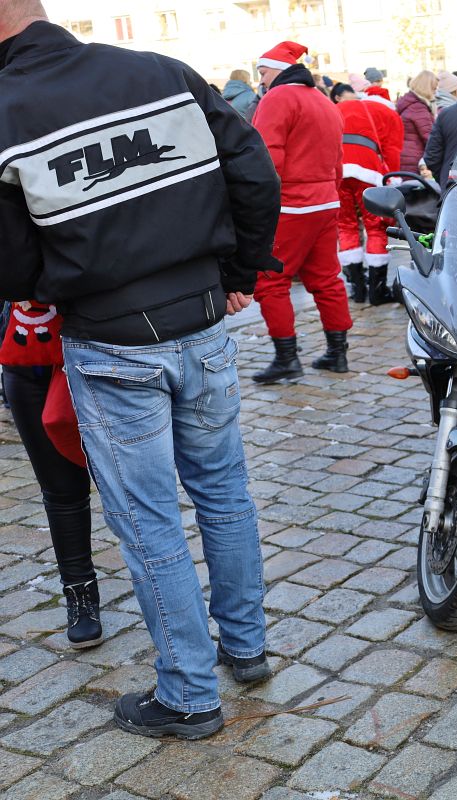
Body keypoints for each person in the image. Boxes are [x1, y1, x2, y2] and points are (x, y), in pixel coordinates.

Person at [0, 1, 279, 738]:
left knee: (149, 520)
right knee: (224, 491)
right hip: (200, 320)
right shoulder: (160, 72)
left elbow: (12, 262)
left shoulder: (7, 111)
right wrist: (238, 269)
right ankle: (246, 646)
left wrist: (57, 285)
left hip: (111, 339)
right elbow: (253, 173)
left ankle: (189, 694)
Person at [252, 40, 353, 381]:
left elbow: (268, 156)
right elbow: (337, 158)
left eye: (263, 72)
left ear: (278, 71)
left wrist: (259, 202)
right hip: (325, 201)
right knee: (326, 279)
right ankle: (338, 353)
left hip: (291, 206)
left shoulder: (277, 98)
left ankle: (287, 360)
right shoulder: (322, 100)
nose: (261, 80)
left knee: (270, 281)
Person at [1, 300, 98, 647]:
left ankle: (162, 595)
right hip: (25, 356)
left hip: (96, 351)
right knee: (61, 490)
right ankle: (80, 596)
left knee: (129, 485)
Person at [336, 85, 404, 306]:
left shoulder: (346, 107)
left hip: (338, 167)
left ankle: (357, 289)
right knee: (376, 226)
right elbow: (392, 150)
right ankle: (377, 291)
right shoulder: (389, 114)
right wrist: (393, 180)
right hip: (368, 168)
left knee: (345, 225)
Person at [396, 70, 437, 174]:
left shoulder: (409, 102)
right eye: (434, 88)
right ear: (427, 88)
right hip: (414, 159)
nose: (435, 92)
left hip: (405, 155)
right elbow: (429, 138)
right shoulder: (418, 108)